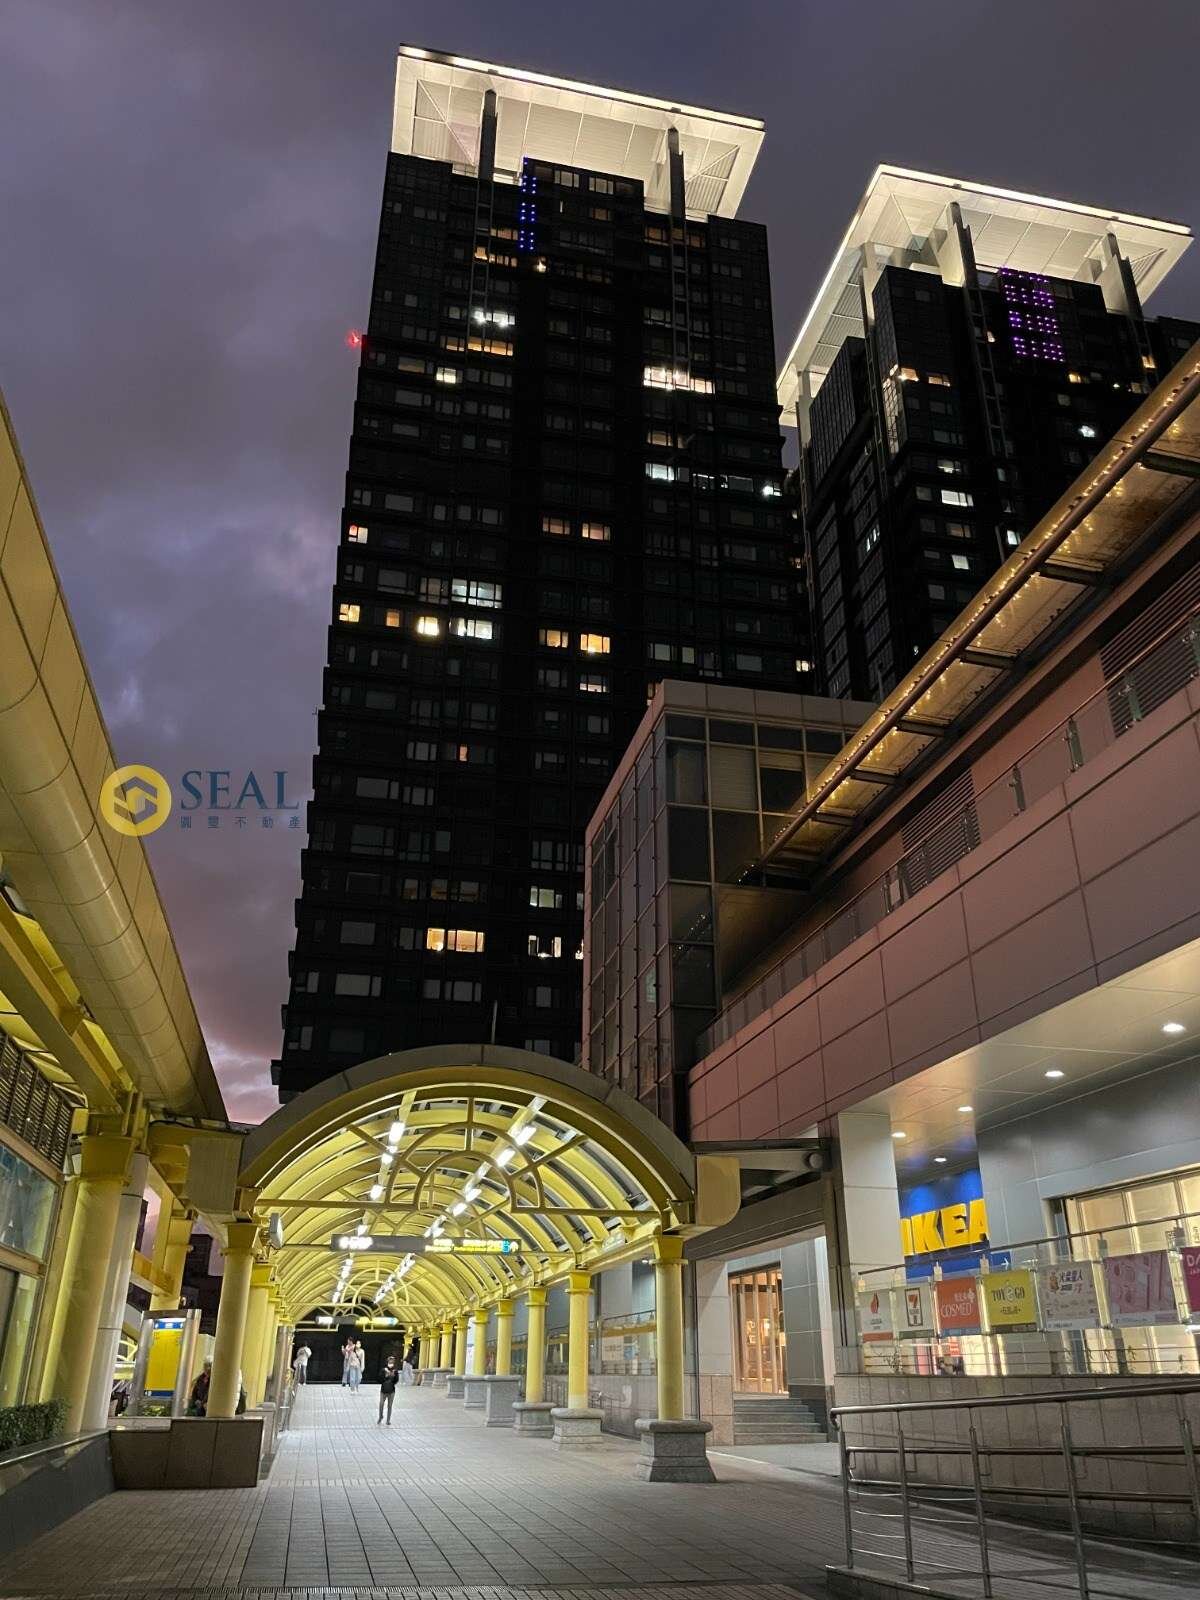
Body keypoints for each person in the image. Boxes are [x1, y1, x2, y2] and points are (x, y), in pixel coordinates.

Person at [377, 1356, 399, 1425]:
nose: (391, 1363)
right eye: (390, 1361)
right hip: (383, 1391)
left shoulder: (395, 1371)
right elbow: (379, 1379)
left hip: (391, 1391)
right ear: (387, 1362)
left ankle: (388, 1420)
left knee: (389, 1406)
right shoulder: (383, 1370)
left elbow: (396, 1381)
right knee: (381, 1404)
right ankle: (380, 1416)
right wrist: (386, 1376)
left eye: (392, 1362)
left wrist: (393, 1376)